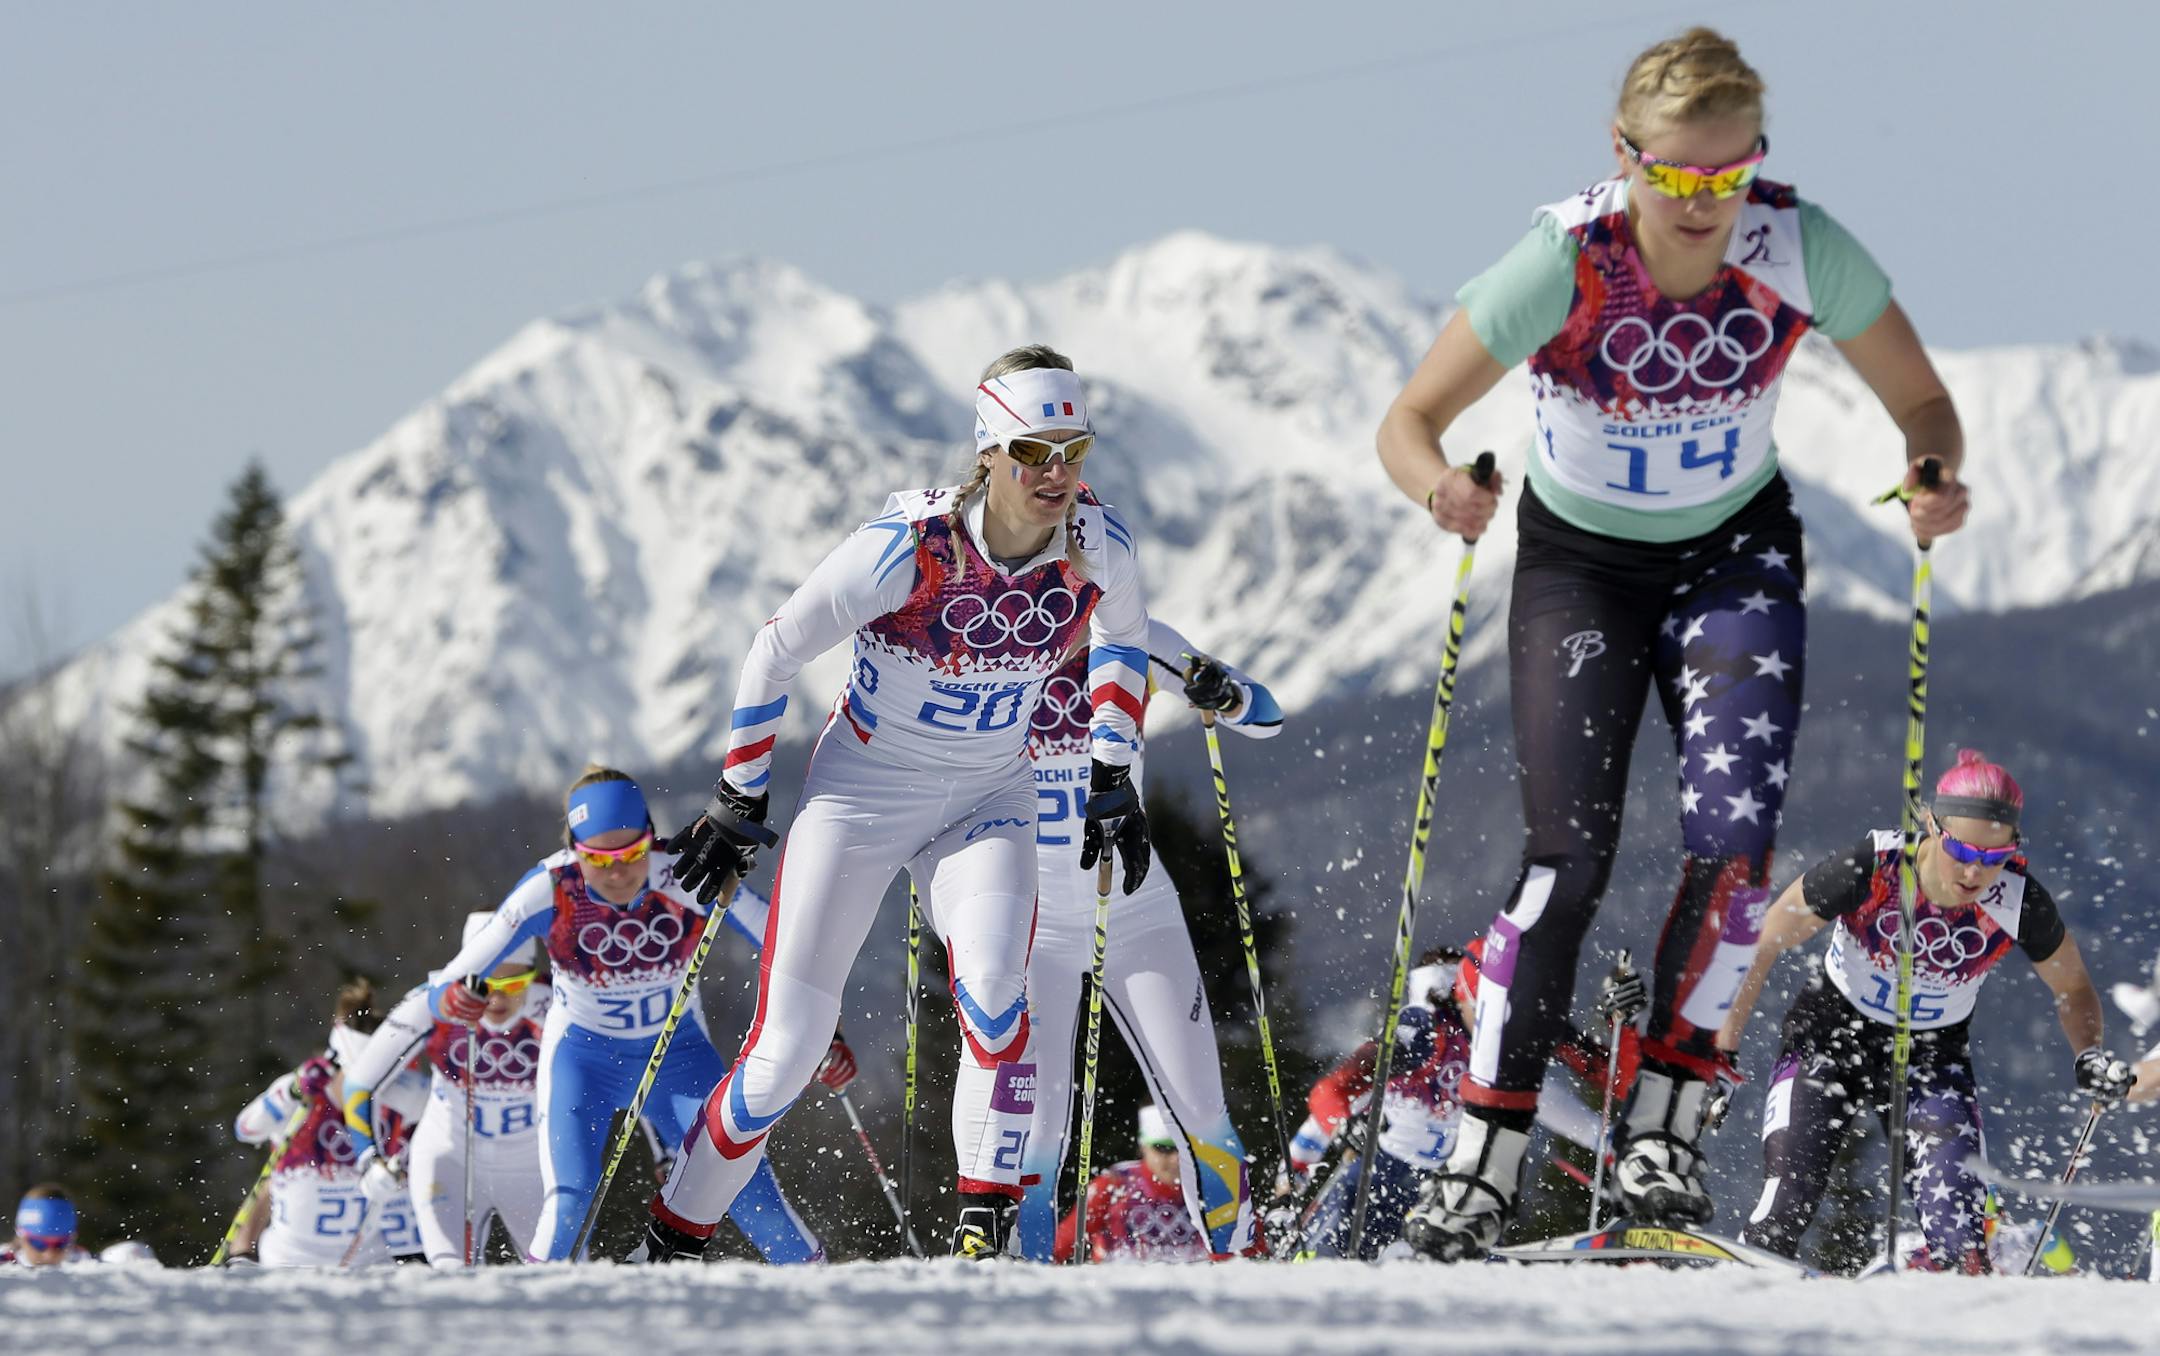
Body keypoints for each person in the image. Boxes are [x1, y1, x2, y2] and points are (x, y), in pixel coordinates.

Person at [1375, 26, 1971, 1259]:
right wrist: (1441, 488)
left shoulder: (1795, 243)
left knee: (1736, 851)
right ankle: (1486, 1146)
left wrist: (1931, 472)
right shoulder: (1565, 260)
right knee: (1568, 859)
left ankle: (1668, 1119)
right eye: (1678, 176)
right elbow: (1411, 416)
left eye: (1730, 174)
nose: (1705, 204)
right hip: (1581, 570)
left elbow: (1921, 398)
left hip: (1733, 557)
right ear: (1626, 157)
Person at [634, 344, 1154, 1262]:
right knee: (783, 1055)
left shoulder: (1097, 544)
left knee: (998, 998)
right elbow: (773, 652)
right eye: (1035, 452)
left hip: (992, 796)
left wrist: (1112, 773)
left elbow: (1125, 641)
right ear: (990, 451)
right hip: (862, 800)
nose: (1059, 473)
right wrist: (736, 795)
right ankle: (669, 1241)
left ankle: (981, 1242)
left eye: (1075, 449)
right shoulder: (910, 549)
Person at [1715, 750, 2134, 1273]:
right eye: (1961, 848)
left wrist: (2088, 1055)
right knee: (1782, 1213)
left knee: (1962, 1245)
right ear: (1932, 826)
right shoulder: (1872, 866)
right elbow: (1762, 941)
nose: (1975, 870)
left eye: (1995, 855)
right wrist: (1722, 1049)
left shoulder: (2018, 901)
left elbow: (2073, 988)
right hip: (1828, 1042)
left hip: (1931, 1064)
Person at [427, 768, 827, 1262]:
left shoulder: (682, 870)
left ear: (649, 839)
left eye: (631, 853)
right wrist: (450, 1001)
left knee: (752, 1197)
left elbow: (786, 943)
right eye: (597, 858)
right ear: (573, 850)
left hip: (677, 1058)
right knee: (570, 1204)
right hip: (583, 1060)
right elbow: (445, 982)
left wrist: (820, 1028)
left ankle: (833, 1315)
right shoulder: (550, 889)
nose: (617, 872)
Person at [1007, 622, 1279, 1262]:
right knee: (1035, 1134)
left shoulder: (1130, 634)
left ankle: (1241, 1276)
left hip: (1135, 911)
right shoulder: (985, 637)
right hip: (1030, 924)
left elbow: (1264, 715)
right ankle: (1021, 1298)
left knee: (1200, 1114)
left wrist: (1224, 694)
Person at [1282, 945, 1639, 1258]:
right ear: (1463, 996)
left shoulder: (1525, 1029)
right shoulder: (1423, 1033)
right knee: (1323, 1258)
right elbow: (1331, 1092)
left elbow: (1617, 1080)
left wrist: (1625, 1022)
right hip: (1377, 1177)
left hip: (1448, 1185)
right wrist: (1301, 1164)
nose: (1503, 1023)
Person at [342, 913, 553, 1266]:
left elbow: (633, 1070)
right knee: (450, 1274)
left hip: (533, 1167)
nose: (497, 998)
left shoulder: (556, 1001)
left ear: (534, 975)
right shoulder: (432, 1002)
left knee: (564, 1275)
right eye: (486, 982)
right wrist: (367, 1159)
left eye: (515, 982)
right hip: (449, 1158)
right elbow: (360, 1084)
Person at [233, 980, 426, 1267]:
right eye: (359, 1080)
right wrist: (291, 1092)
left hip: (371, 1263)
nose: (368, 1092)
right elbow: (245, 1130)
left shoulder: (403, 1094)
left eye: (379, 1078)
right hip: (288, 1260)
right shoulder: (304, 1093)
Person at [1053, 1105, 1209, 1263]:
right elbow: (1059, 1247)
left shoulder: (1212, 1188)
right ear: (1143, 1147)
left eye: (1186, 1150)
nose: (1177, 1159)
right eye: (1164, 1148)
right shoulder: (1115, 1184)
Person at [3, 1185, 93, 1267]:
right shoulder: (4, 1270)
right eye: (39, 1244)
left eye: (60, 1244)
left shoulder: (89, 1266)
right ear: (20, 1235)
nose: (49, 1254)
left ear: (73, 1238)